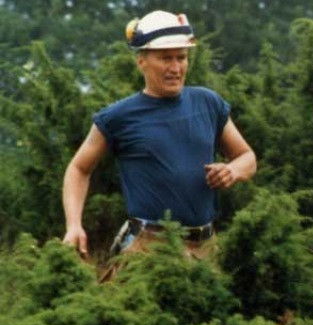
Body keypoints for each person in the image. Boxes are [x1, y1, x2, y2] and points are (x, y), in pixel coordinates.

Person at [61, 10, 256, 266]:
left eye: (181, 58)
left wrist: (231, 170)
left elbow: (247, 157)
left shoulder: (208, 103)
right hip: (147, 249)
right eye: (165, 58)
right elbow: (78, 168)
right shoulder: (118, 117)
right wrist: (74, 225)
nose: (175, 68)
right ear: (141, 60)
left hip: (206, 248)